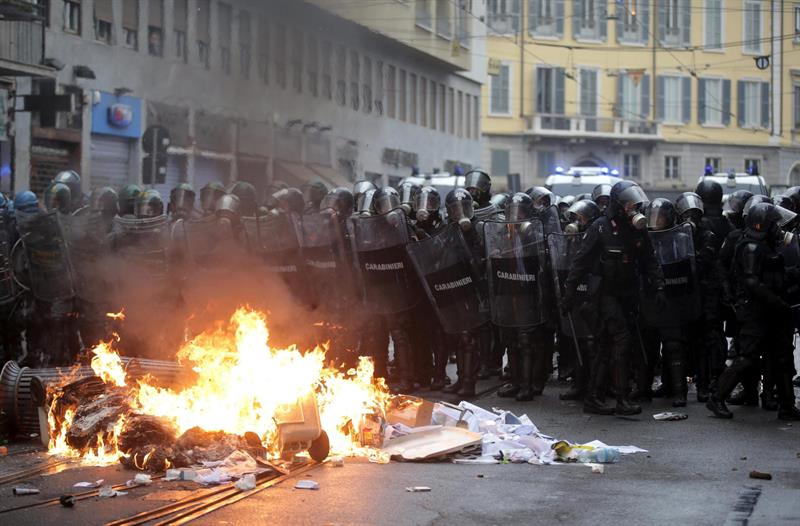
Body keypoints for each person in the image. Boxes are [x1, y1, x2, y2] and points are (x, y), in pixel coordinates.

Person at [562, 181, 666, 415]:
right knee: (622, 340)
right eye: (628, 202)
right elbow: (580, 262)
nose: (632, 206)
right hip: (604, 294)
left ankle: (593, 398)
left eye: (634, 202)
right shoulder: (600, 227)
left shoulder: (637, 229)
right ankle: (621, 398)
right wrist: (568, 295)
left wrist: (658, 286)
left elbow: (650, 260)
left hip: (628, 294)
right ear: (618, 204)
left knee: (604, 346)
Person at [707, 202, 800, 421]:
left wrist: (794, 274)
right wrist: (778, 303)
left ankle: (787, 405)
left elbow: (774, 277)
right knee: (746, 356)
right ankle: (717, 396)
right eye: (774, 224)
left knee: (783, 356)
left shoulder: (767, 247)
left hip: (772, 310)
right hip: (756, 311)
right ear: (763, 225)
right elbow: (753, 283)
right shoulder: (751, 247)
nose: (779, 229)